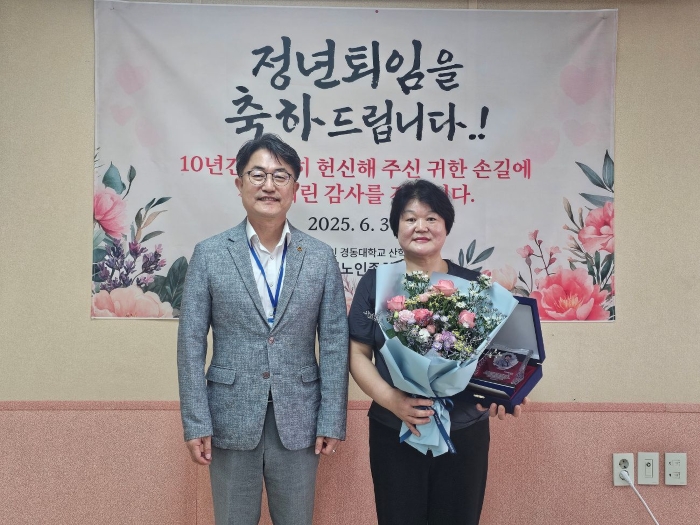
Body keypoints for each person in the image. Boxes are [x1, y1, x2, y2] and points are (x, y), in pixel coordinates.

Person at [177, 133, 349, 525]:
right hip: (229, 416)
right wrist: (196, 421)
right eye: (258, 174)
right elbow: (190, 344)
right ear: (239, 184)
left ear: (295, 189)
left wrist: (331, 419)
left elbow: (335, 344)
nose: (268, 185)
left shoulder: (320, 257)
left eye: (280, 175)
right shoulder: (210, 254)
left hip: (300, 419)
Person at [348, 179, 528, 525]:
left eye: (431, 218)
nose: (421, 227)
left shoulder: (475, 287)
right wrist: (393, 400)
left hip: (464, 428)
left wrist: (507, 392)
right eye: (410, 218)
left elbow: (499, 359)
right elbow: (358, 354)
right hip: (394, 426)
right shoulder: (375, 283)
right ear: (396, 226)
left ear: (446, 226)